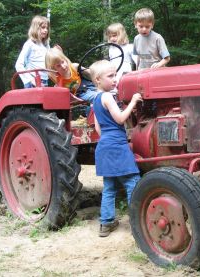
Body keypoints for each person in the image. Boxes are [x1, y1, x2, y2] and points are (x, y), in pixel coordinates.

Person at [89, 60, 142, 237]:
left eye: (115, 75)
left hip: (104, 145)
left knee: (109, 186)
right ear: (98, 79)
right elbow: (120, 119)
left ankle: (106, 223)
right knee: (132, 181)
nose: (115, 79)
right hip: (117, 145)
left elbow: (98, 128)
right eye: (110, 76)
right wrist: (134, 102)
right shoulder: (107, 97)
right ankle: (137, 223)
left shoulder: (95, 101)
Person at [15, 15, 50, 88]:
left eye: (47, 28)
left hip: (44, 81)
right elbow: (18, 65)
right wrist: (30, 80)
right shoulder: (30, 44)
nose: (46, 30)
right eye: (43, 27)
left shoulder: (46, 46)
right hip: (33, 82)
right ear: (35, 28)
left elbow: (50, 64)